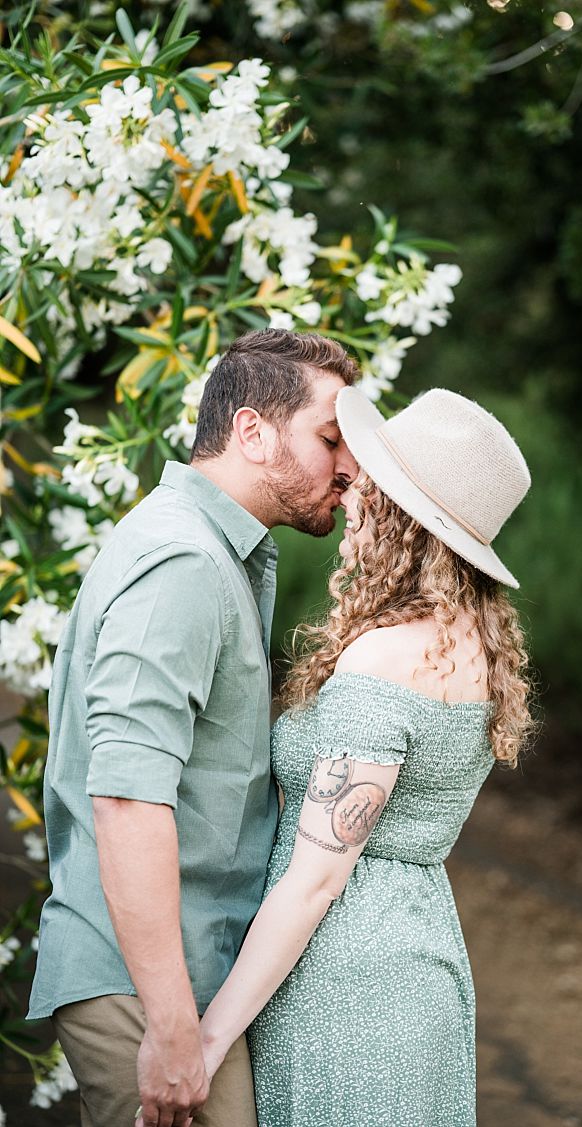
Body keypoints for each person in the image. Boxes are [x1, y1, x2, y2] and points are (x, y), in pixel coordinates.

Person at [29, 329, 359, 1127]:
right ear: (252, 431)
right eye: (329, 438)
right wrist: (173, 1022)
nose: (350, 467)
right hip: (144, 985)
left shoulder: (215, 551)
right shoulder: (182, 562)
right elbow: (128, 799)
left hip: (180, 973)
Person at [192, 386, 532, 1126]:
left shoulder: (383, 659)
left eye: (364, 487)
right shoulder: (472, 647)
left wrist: (209, 1035)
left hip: (346, 986)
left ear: (402, 519)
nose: (347, 498)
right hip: (422, 964)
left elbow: (315, 881)